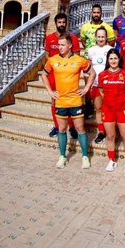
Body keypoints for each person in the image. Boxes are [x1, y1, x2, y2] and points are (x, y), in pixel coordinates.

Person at [41, 33, 95, 169]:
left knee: (80, 128)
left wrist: (86, 88)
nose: (59, 47)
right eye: (59, 45)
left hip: (75, 101)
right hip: (61, 101)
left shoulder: (79, 60)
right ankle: (62, 156)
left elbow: (92, 73)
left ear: (70, 45)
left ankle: (85, 157)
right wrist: (50, 91)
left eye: (62, 45)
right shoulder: (52, 60)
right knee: (62, 129)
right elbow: (44, 74)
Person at [44, 13, 81, 138]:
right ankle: (57, 126)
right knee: (55, 101)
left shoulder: (73, 39)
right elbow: (47, 56)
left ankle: (72, 127)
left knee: (70, 102)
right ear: (56, 24)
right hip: (54, 76)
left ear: (66, 23)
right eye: (59, 22)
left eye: (63, 22)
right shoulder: (49, 38)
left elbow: (77, 58)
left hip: (69, 77)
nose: (61, 24)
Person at [98, 49, 125, 173]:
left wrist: (122, 104)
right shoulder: (102, 75)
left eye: (115, 58)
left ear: (119, 60)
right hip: (108, 109)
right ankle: (111, 160)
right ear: (108, 60)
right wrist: (109, 102)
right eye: (111, 58)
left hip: (122, 110)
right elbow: (101, 92)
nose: (113, 61)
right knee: (110, 136)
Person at [86, 27, 113, 144]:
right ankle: (101, 132)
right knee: (98, 109)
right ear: (95, 37)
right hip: (96, 84)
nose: (101, 38)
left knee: (110, 109)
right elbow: (88, 68)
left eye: (103, 36)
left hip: (109, 85)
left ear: (106, 37)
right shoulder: (91, 50)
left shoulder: (111, 49)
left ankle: (111, 131)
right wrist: (88, 83)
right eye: (99, 36)